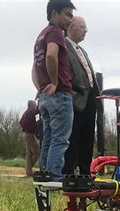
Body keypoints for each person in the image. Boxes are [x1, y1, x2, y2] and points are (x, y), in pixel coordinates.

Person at [32, 0, 75, 181]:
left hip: (45, 96)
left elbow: (34, 68)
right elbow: (51, 55)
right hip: (59, 94)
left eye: (71, 15)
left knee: (48, 139)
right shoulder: (55, 32)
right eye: (67, 14)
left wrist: (41, 88)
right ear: (54, 14)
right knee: (60, 139)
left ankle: (45, 175)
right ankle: (55, 177)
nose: (70, 20)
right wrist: (55, 82)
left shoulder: (41, 35)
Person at [63, 16, 102, 175]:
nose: (85, 30)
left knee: (87, 138)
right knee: (72, 138)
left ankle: (86, 173)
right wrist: (76, 88)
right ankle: (68, 173)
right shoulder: (63, 47)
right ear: (70, 27)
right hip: (75, 100)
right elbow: (66, 73)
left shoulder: (82, 50)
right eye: (81, 27)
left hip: (90, 99)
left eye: (85, 28)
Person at [19, 100, 40, 176]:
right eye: (35, 105)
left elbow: (20, 122)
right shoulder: (31, 110)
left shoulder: (25, 113)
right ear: (32, 105)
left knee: (29, 153)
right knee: (37, 152)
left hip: (25, 133)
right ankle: (29, 169)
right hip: (30, 134)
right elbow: (38, 110)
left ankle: (29, 171)